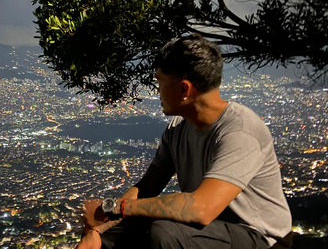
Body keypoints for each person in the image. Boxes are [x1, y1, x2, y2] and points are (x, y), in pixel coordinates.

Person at [76, 34, 292, 249]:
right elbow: (147, 187)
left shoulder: (240, 131)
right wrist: (98, 229)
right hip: (208, 232)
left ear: (184, 89)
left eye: (160, 82)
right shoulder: (178, 128)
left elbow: (201, 209)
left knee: (165, 234)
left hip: (261, 237)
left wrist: (114, 208)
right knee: (113, 237)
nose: (157, 91)